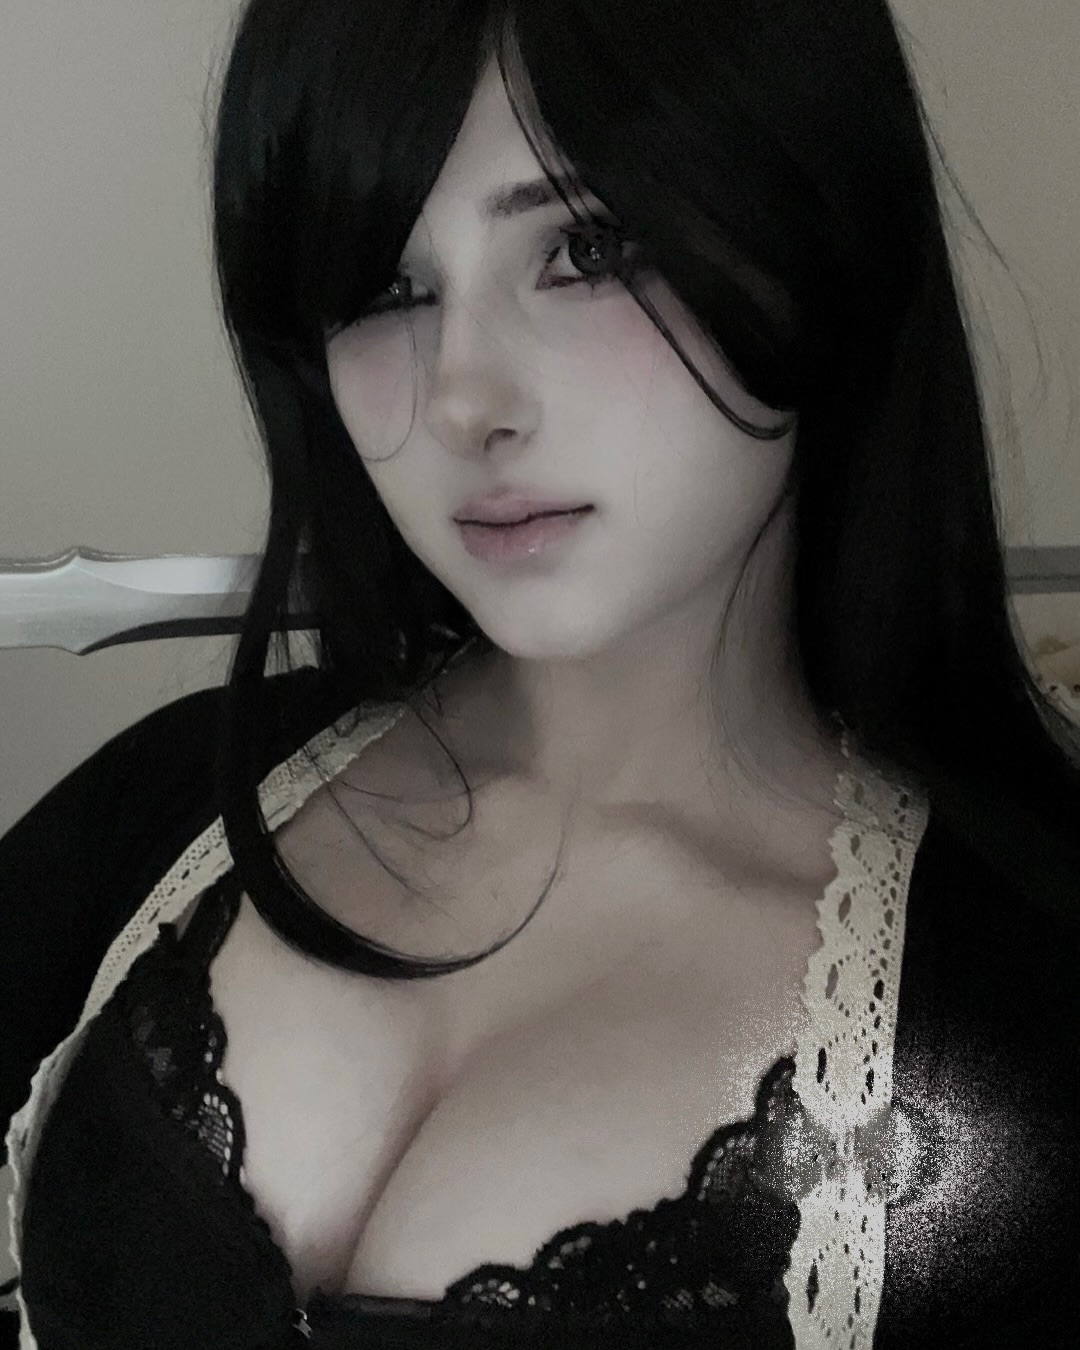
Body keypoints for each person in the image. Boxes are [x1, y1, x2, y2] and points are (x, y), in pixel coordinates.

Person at [2, 2, 1078, 1347]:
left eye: (588, 248)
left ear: (814, 229)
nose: (464, 401)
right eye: (384, 285)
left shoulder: (1024, 1009)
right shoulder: (175, 795)